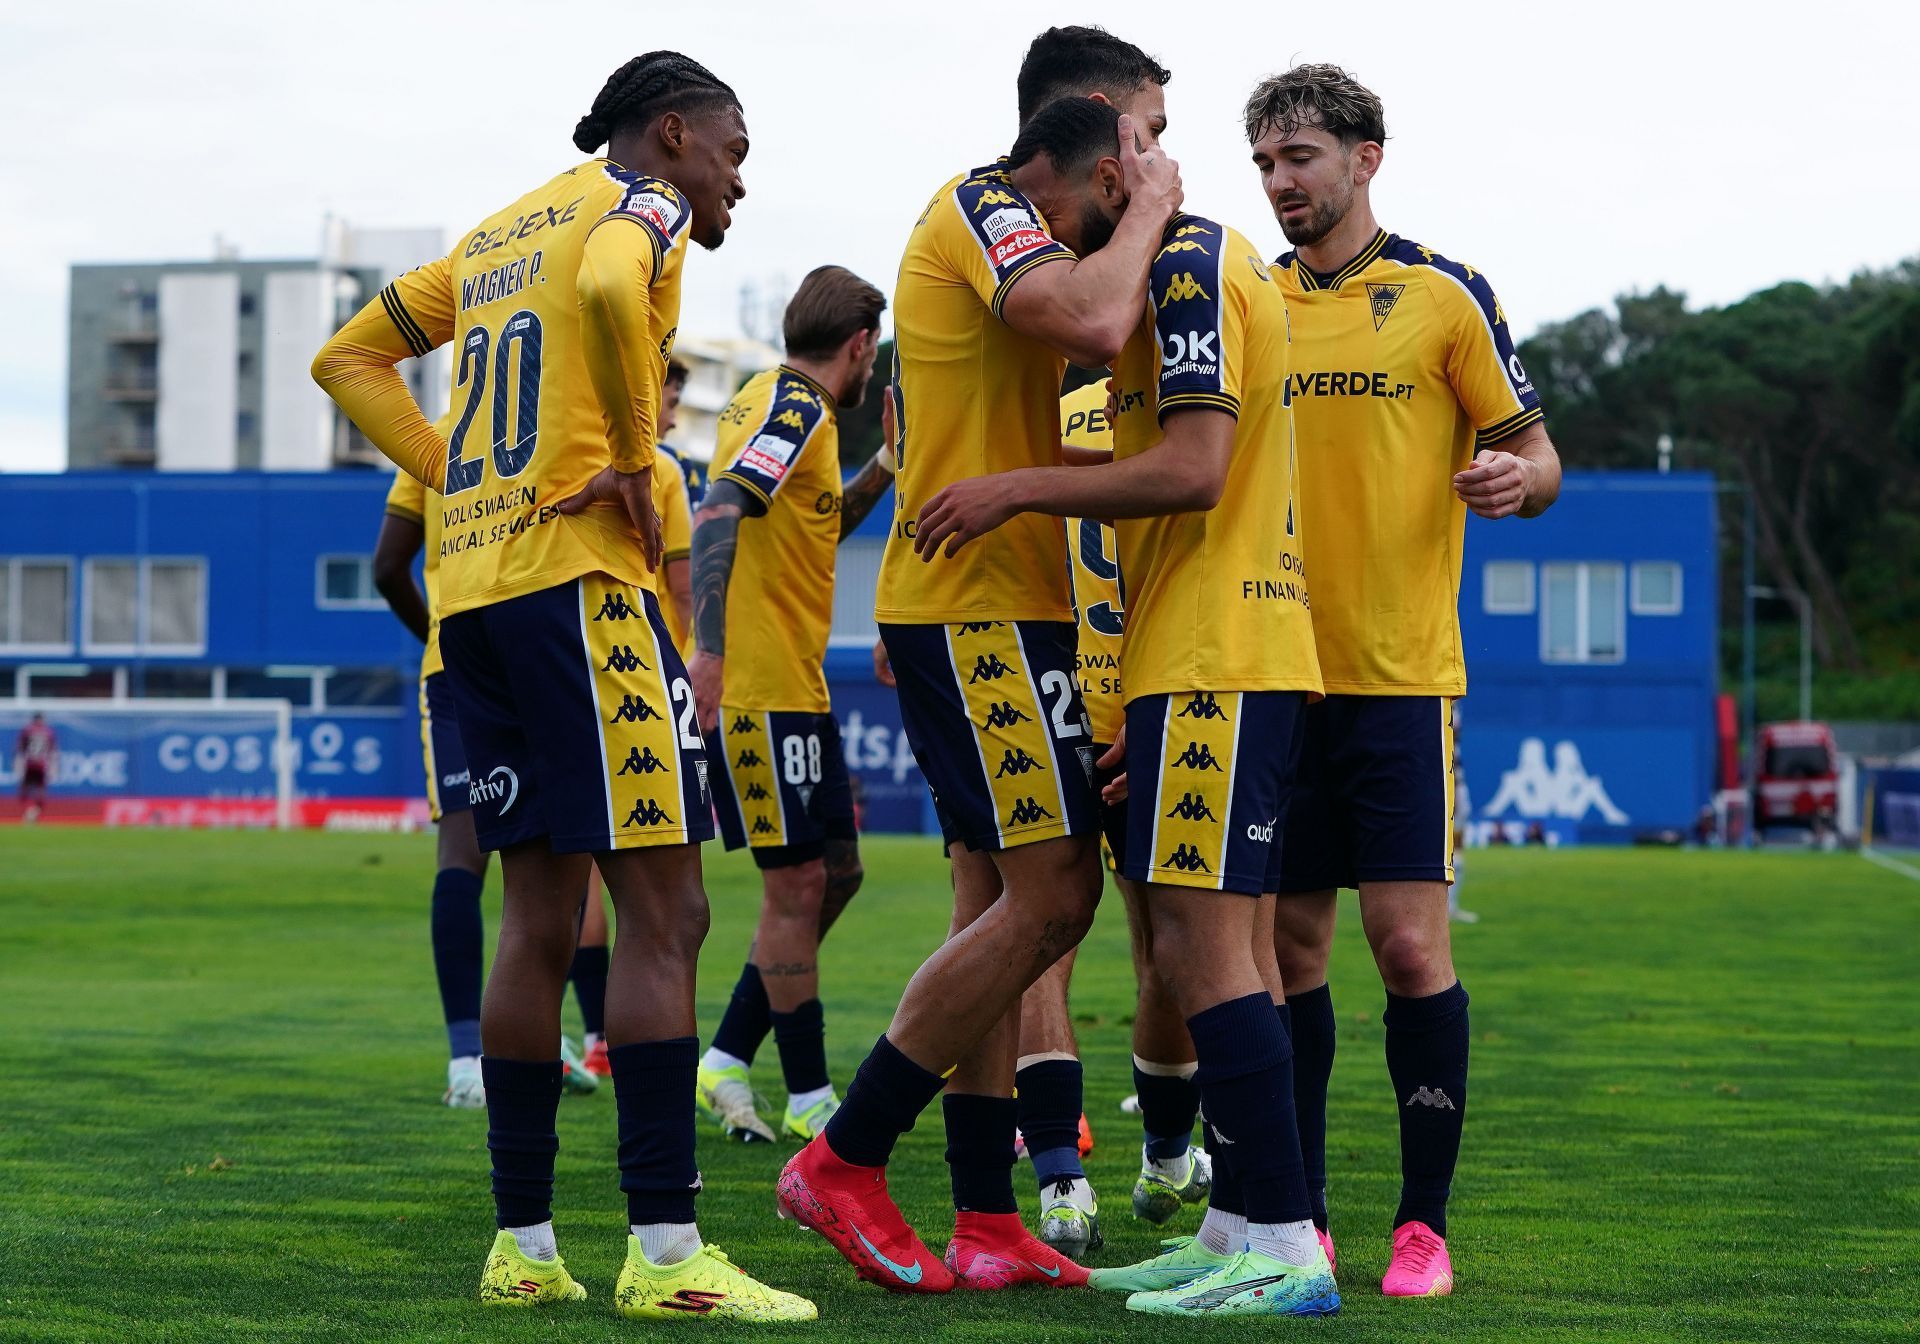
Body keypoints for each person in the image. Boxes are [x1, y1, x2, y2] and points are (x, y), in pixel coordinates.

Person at [313, 51, 814, 1322]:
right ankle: (664, 1256)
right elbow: (603, 281)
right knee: (666, 910)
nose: (739, 183)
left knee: (537, 917)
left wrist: (457, 477)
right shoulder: (638, 208)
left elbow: (347, 358)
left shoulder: (496, 231)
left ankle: (525, 1248)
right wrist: (643, 460)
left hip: (475, 600)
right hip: (579, 591)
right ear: (673, 133)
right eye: (734, 154)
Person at [913, 96, 1337, 1318]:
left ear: (1109, 178)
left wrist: (1015, 491)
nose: (1050, 246)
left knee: (1205, 953)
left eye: (1053, 216)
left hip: (1221, 654)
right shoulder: (1185, 267)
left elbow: (1199, 471)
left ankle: (1288, 1253)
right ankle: (1230, 1224)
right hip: (1199, 652)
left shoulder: (1195, 259)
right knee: (1212, 948)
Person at [776, 26, 1182, 1295]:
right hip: (976, 610)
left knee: (996, 910)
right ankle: (844, 1158)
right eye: (1150, 138)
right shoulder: (985, 206)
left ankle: (985, 1214)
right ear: (1100, 129)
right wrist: (1158, 219)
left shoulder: (1031, 227)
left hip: (1010, 608)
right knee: (1055, 903)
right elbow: (1102, 316)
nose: (1160, 163)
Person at [1249, 63, 1561, 1297]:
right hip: (1269, 670)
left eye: (1303, 160)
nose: (1282, 185)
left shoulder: (1444, 295)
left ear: (1368, 156)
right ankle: (1303, 1217)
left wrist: (1512, 483)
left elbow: (1536, 458)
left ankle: (1421, 1228)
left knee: (1409, 950)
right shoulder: (1241, 295)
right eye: (1267, 164)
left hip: (1401, 679)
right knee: (1287, 951)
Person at [684, 265, 892, 1143]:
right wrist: (710, 654)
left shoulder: (767, 401)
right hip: (762, 692)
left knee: (836, 875)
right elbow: (721, 509)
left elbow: (810, 522)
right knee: (799, 884)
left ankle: (729, 1052)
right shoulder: (798, 408)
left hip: (794, 692)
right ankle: (809, 1096)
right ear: (858, 347)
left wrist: (885, 463)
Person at [15, 713, 56, 824]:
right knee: (40, 792)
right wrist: (53, 768)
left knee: (25, 791)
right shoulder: (48, 732)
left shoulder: (27, 730)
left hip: (30, 764)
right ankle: (32, 813)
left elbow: (20, 748)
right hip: (41, 765)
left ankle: (28, 813)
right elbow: (53, 751)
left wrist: (18, 765)